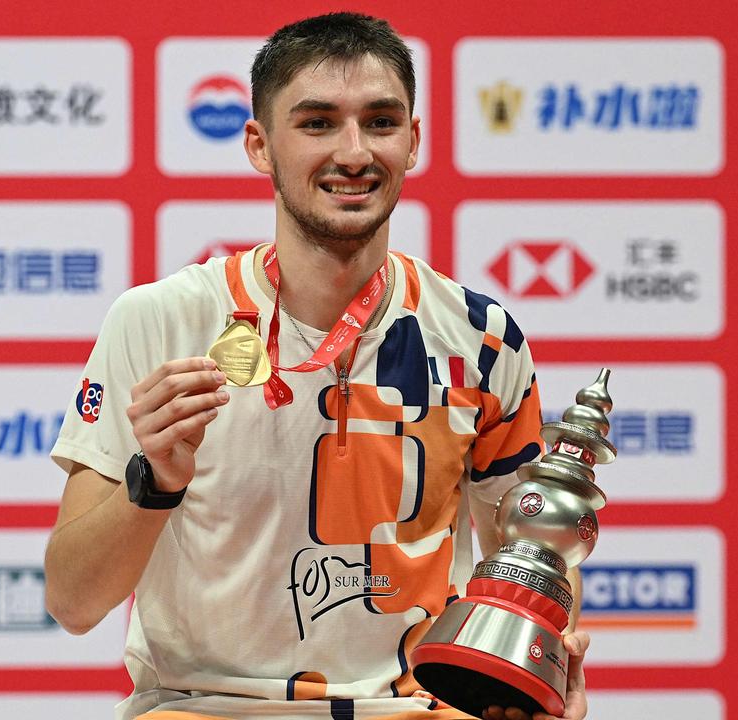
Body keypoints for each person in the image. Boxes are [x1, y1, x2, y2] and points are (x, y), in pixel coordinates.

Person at [46, 12, 589, 720]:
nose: (354, 151)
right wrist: (156, 484)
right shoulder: (161, 322)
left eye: (382, 121)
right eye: (318, 123)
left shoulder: (481, 339)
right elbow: (72, 601)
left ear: (414, 141)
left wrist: (532, 685)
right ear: (259, 146)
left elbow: (529, 566)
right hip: (205, 708)